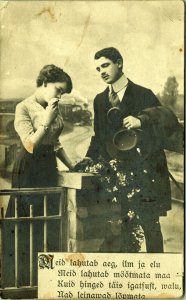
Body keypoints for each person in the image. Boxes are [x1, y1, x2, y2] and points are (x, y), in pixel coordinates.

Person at [84, 47, 174, 253]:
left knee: (150, 227)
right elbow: (98, 137)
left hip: (145, 172)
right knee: (119, 230)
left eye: (105, 65)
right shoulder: (100, 100)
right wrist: (88, 159)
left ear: (119, 63)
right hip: (116, 175)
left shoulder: (144, 94)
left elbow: (164, 123)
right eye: (98, 69)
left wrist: (141, 121)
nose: (102, 72)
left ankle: (157, 275)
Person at [4, 64, 74, 286]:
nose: (60, 96)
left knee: (51, 222)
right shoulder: (23, 107)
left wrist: (72, 166)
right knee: (27, 222)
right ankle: (22, 279)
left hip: (47, 168)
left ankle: (46, 280)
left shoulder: (53, 107)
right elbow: (31, 144)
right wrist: (47, 118)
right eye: (58, 89)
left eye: (63, 92)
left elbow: (55, 143)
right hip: (29, 168)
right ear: (44, 83)